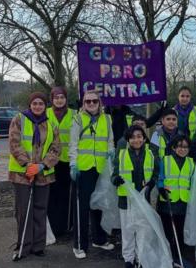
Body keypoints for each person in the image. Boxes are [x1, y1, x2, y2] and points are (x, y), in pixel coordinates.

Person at [8, 92, 61, 261]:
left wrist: (42, 165)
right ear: (30, 104)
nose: (38, 106)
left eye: (41, 103)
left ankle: (39, 246)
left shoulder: (51, 122)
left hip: (43, 173)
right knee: (24, 211)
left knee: (40, 209)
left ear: (45, 106)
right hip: (22, 174)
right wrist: (27, 165)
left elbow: (56, 148)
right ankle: (24, 245)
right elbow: (14, 143)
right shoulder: (19, 119)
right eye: (34, 103)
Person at [69, 90, 115, 259]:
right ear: (83, 103)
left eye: (94, 101)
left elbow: (110, 141)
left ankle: (99, 239)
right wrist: (73, 164)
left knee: (100, 204)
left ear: (99, 102)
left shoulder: (107, 119)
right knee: (82, 207)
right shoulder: (78, 119)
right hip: (83, 168)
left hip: (101, 168)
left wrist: (111, 152)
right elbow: (73, 144)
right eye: (87, 101)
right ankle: (79, 244)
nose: (91, 104)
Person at [111, 125, 159, 268]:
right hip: (126, 199)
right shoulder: (121, 154)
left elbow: (156, 173)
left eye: (139, 136)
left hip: (144, 199)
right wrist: (116, 180)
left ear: (144, 138)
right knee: (127, 230)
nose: (136, 140)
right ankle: (129, 259)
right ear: (128, 140)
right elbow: (113, 175)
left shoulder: (151, 154)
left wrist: (151, 183)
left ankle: (141, 257)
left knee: (143, 230)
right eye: (132, 137)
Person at [157, 134, 194, 268]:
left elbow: (194, 182)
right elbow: (159, 178)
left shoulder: (191, 163)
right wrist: (161, 188)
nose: (182, 149)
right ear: (173, 147)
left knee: (180, 231)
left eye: (185, 147)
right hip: (167, 203)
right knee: (167, 232)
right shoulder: (165, 160)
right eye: (179, 146)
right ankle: (167, 256)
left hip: (183, 203)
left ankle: (178, 256)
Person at [46, 86, 76, 238]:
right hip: (50, 161)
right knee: (51, 195)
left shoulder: (74, 114)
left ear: (66, 99)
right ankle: (52, 227)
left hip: (67, 161)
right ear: (52, 99)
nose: (59, 100)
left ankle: (64, 226)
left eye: (62, 97)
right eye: (56, 98)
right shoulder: (45, 113)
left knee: (65, 195)